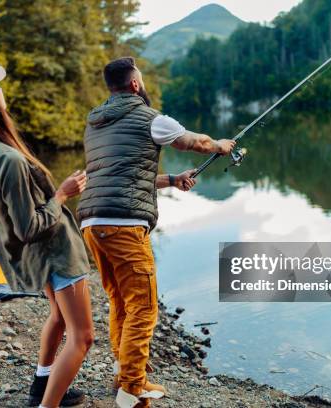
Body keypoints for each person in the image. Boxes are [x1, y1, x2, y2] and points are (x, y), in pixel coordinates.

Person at [77, 57, 236, 408]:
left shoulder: (96, 124)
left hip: (92, 222)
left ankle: (124, 376)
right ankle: (132, 388)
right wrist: (219, 145)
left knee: (120, 301)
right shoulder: (151, 118)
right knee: (144, 307)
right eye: (142, 80)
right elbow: (192, 142)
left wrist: (172, 180)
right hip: (123, 223)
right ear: (135, 84)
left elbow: (122, 174)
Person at [0, 66, 94, 408]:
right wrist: (62, 194)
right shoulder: (7, 158)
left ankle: (41, 386)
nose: (1, 90)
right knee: (83, 337)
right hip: (54, 252)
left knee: (58, 316)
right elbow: (28, 227)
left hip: (36, 256)